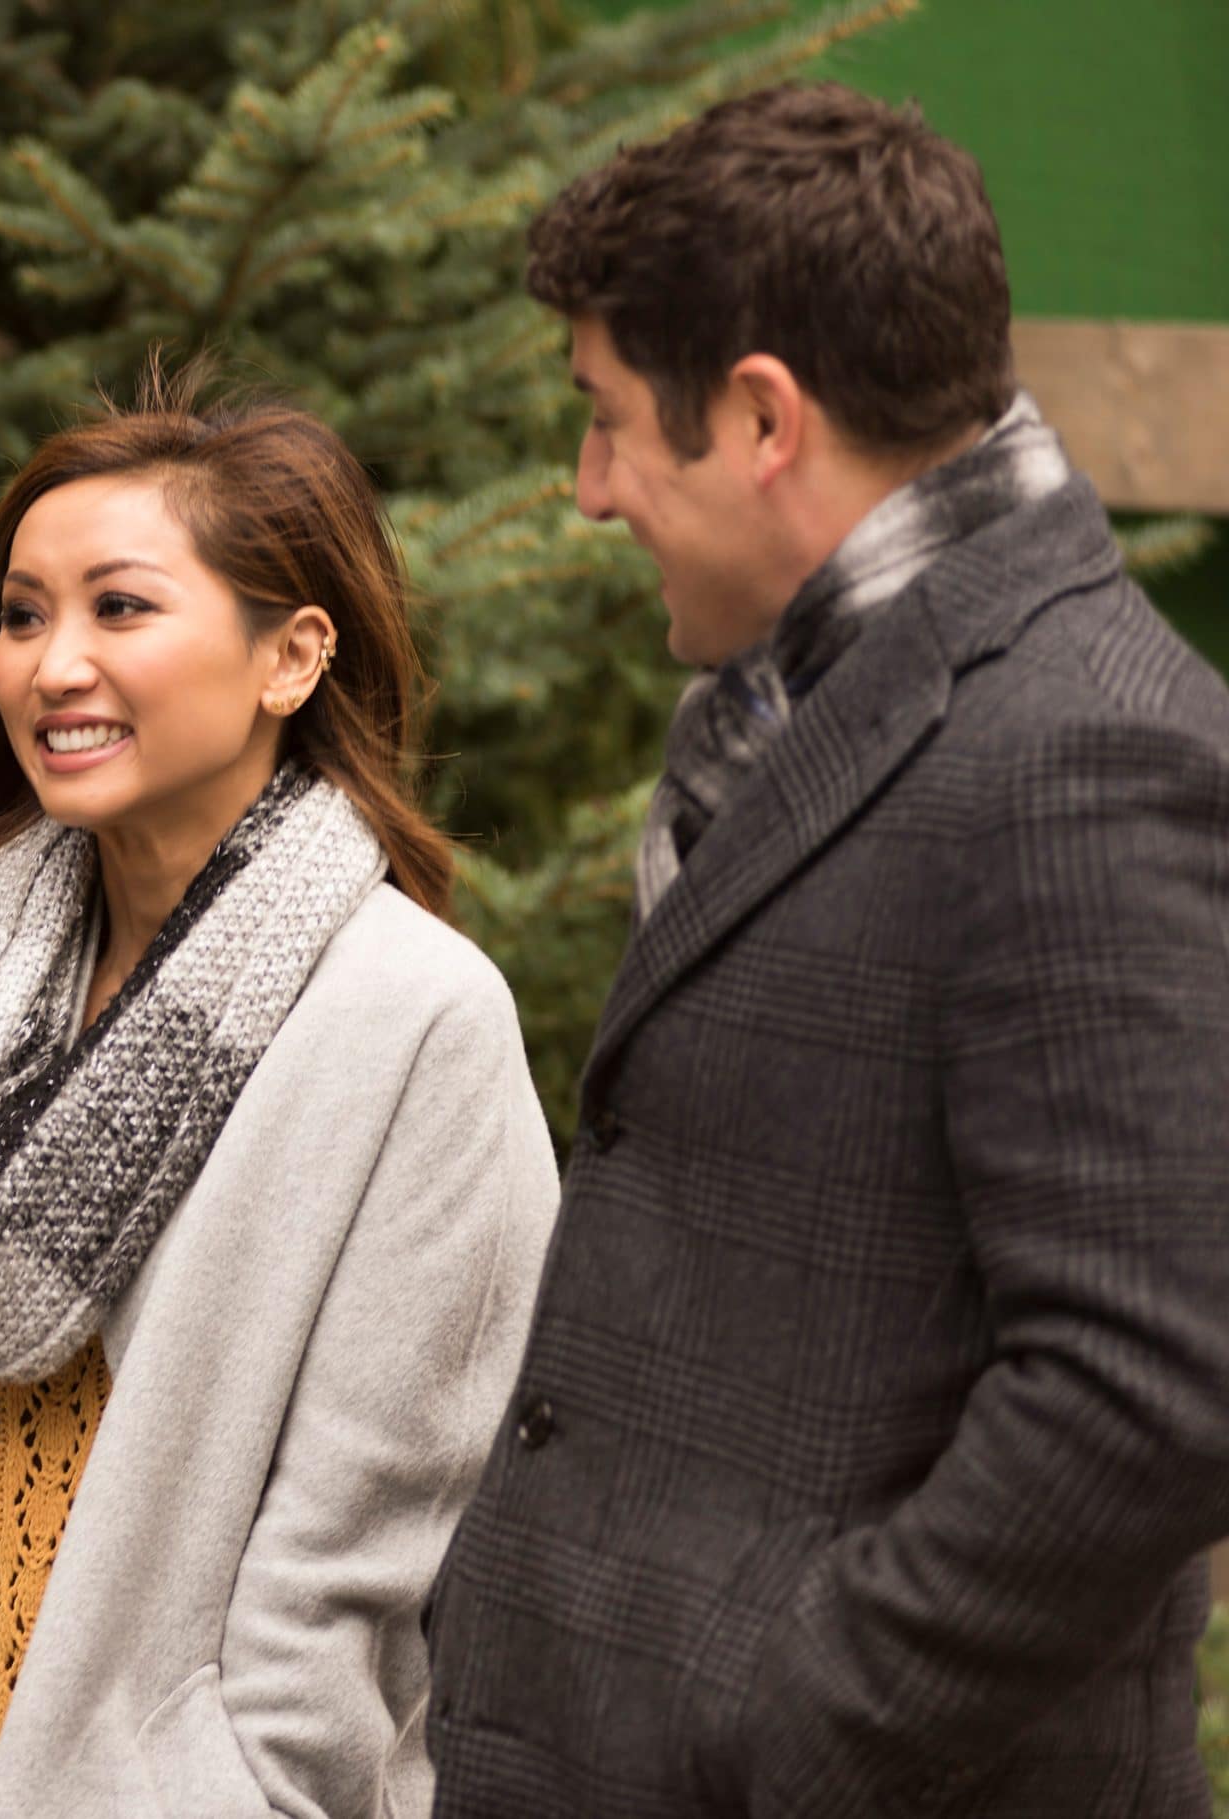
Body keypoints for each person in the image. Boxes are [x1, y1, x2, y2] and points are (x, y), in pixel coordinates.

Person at [422, 83, 1229, 1818]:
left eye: (610, 421)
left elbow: (1157, 1381)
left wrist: (791, 1725)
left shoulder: (1086, 750)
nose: (585, 491)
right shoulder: (797, 708)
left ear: (765, 419)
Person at [0, 382, 560, 1819]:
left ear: (292, 657)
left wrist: (225, 1785)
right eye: (21, 616)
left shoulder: (413, 1020)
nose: (52, 665)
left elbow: (366, 1547)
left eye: (120, 610)